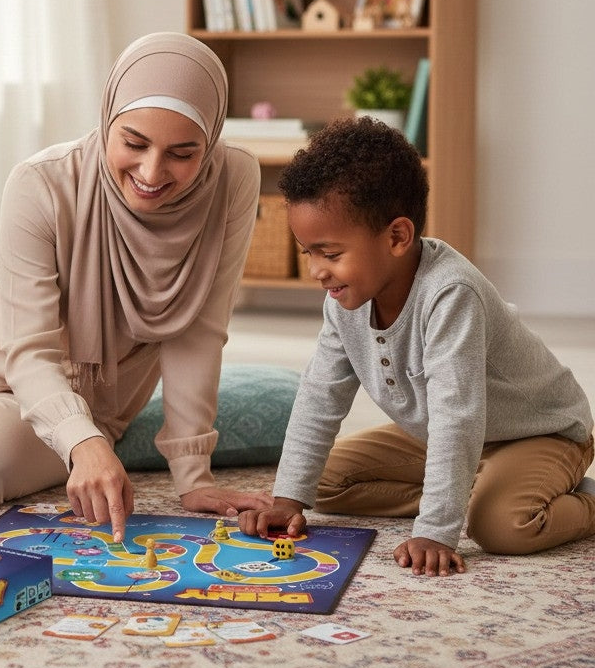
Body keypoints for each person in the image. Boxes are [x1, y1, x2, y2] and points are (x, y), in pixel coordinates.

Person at [0, 32, 273, 542]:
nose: (152, 172)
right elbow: (30, 349)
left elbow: (198, 330)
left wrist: (190, 474)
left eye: (182, 153)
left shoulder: (234, 179)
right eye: (134, 143)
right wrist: (85, 449)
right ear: (107, 117)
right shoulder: (41, 181)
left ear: (212, 138)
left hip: (87, 395)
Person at [239, 116, 595, 576]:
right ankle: (467, 483)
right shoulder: (344, 300)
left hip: (538, 433)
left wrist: (435, 529)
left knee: (503, 526)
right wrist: (288, 499)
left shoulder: (451, 294)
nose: (316, 271)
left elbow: (457, 413)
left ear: (397, 237)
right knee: (324, 483)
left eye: (330, 254)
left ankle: (553, 496)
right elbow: (319, 396)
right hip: (444, 436)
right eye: (308, 253)